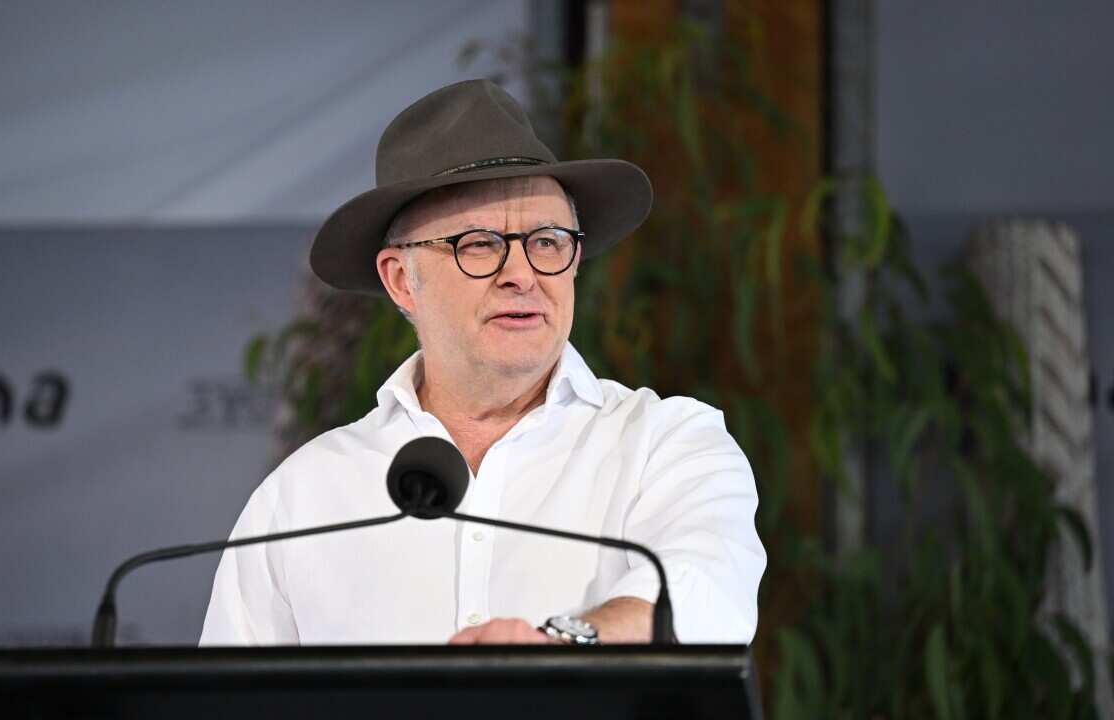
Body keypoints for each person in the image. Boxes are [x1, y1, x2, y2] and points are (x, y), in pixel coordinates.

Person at [200, 79, 765, 646]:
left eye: (546, 242)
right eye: (479, 244)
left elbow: (701, 595)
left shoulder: (666, 443)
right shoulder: (306, 494)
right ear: (402, 281)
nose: (521, 274)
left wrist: (559, 644)